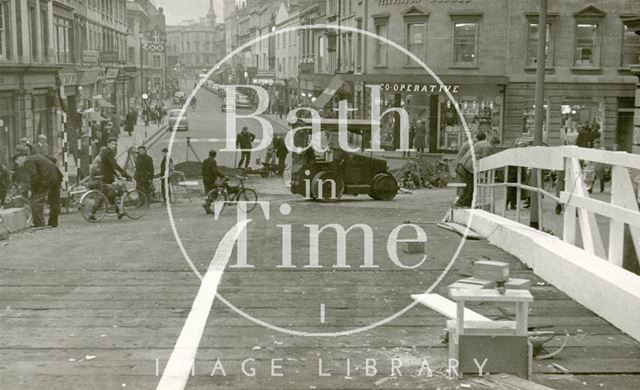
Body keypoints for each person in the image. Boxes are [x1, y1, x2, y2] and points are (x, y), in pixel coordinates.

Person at [13, 151, 63, 228]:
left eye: (17, 163)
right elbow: (53, 160)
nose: (19, 166)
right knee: (54, 200)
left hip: (46, 179)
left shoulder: (28, 161)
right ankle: (53, 223)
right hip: (56, 175)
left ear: (21, 158)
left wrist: (32, 190)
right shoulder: (36, 156)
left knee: (35, 200)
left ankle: (39, 223)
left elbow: (34, 176)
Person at [455, 136, 501, 208]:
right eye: (496, 146)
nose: (496, 148)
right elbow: (485, 159)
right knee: (471, 186)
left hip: (464, 164)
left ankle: (466, 202)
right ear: (495, 144)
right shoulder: (488, 147)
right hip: (468, 167)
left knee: (470, 185)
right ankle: (463, 202)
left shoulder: (483, 143)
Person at [202, 150, 226, 214]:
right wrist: (223, 176)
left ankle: (208, 208)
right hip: (210, 180)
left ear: (209, 154)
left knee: (207, 192)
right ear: (215, 155)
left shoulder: (205, 161)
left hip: (205, 179)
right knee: (215, 192)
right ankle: (207, 205)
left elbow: (203, 170)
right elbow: (215, 171)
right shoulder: (213, 161)